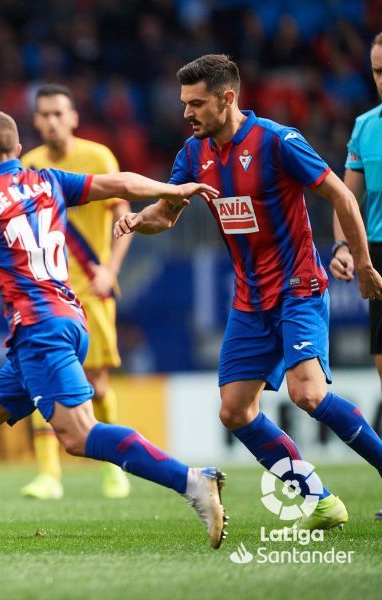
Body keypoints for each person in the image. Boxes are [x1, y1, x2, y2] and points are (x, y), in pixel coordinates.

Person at [0, 109, 227, 552]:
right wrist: (172, 188)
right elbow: (120, 183)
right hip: (68, 318)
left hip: (39, 328)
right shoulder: (46, 180)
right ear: (18, 150)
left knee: (78, 435)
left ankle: (194, 482)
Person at [114, 54, 382, 530]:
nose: (186, 113)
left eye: (196, 103)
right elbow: (165, 213)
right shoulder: (193, 154)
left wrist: (362, 263)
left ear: (228, 98)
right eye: (184, 103)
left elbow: (342, 195)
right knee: (235, 411)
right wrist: (139, 220)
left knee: (308, 394)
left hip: (298, 285)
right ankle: (321, 501)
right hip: (249, 299)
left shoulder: (278, 142)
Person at [19, 84, 133, 500]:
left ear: (72, 118)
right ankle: (49, 475)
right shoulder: (27, 165)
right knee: (41, 380)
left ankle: (112, 470)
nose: (50, 120)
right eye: (43, 114)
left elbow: (125, 217)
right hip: (45, 293)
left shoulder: (97, 157)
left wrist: (110, 270)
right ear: (35, 120)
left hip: (91, 287)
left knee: (98, 385)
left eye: (57, 113)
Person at [328, 32, 382, 521]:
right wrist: (345, 246)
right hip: (379, 257)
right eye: (378, 71)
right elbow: (348, 200)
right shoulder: (366, 127)